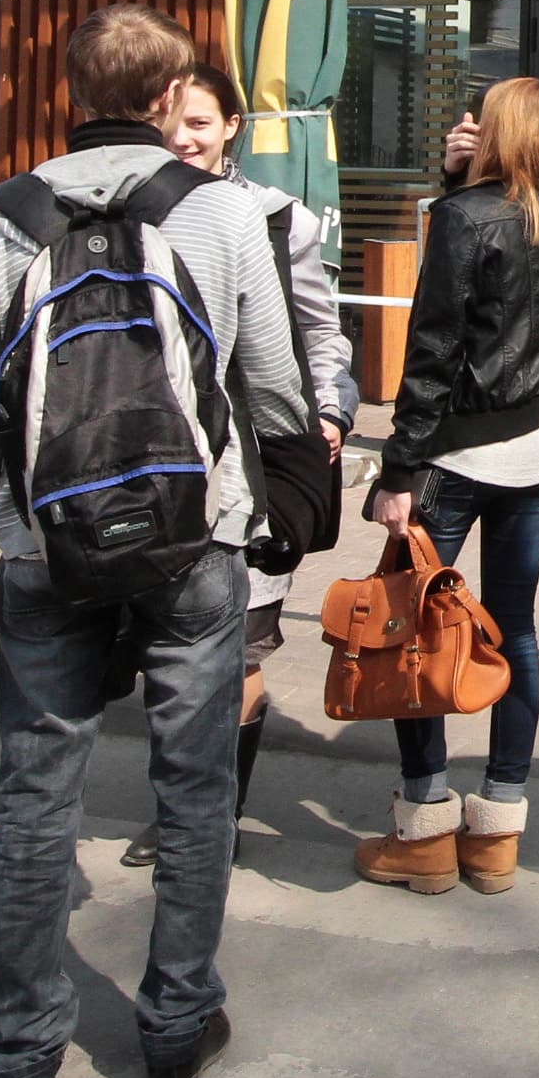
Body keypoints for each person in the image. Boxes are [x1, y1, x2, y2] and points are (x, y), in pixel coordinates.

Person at [0, 5, 312, 1078]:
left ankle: (21, 1052)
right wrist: (253, 498)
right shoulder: (226, 213)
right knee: (194, 787)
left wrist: (7, 520)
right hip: (196, 542)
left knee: (36, 788)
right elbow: (276, 384)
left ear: (70, 90)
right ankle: (177, 1025)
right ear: (167, 94)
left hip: (47, 543)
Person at [350, 77, 539, 900]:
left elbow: (435, 349)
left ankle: (424, 822)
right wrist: (461, 179)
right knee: (512, 629)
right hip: (534, 446)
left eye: (479, 122)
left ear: (499, 133)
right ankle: (498, 829)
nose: (465, 127)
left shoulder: (466, 216)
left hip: (456, 454)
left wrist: (398, 469)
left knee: (415, 630)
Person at [118, 61, 356, 868]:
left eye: (197, 121)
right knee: (174, 650)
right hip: (150, 464)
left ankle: (212, 819)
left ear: (230, 128)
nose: (180, 136)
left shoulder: (279, 220)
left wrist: (330, 410)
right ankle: (183, 803)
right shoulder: (125, 210)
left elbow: (319, 330)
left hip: (250, 465)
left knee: (241, 648)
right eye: (166, 121)